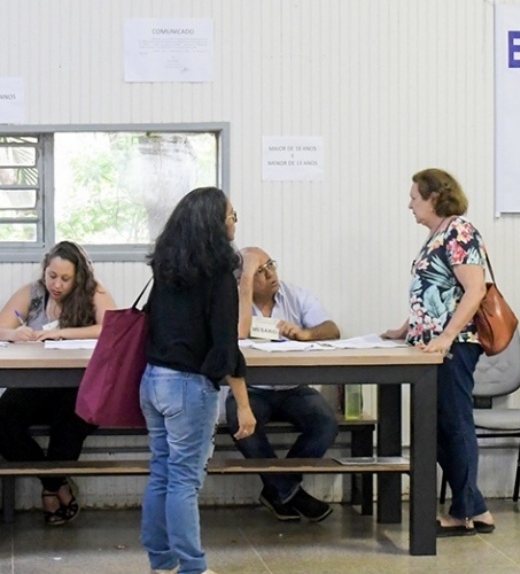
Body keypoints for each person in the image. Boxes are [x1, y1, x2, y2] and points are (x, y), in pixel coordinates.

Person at [141, 187, 256, 574]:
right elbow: (226, 346)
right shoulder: (218, 274)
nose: (235, 221)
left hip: (153, 381)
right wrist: (243, 403)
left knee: (162, 471)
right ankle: (193, 566)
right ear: (213, 223)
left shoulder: (166, 268)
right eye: (231, 214)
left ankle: (161, 561)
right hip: (188, 387)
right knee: (185, 480)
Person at [381, 168, 495, 537]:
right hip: (431, 346)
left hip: (454, 347)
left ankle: (465, 512)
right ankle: (475, 508)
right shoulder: (439, 234)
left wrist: (447, 336)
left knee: (454, 425)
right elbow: (435, 293)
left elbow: (474, 290)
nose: (409, 204)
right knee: (438, 428)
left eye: (415, 197)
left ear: (434, 197)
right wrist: (407, 328)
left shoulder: (459, 230)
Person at [0, 241, 116, 526]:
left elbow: (111, 328)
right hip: (37, 383)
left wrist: (63, 333)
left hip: (82, 385)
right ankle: (55, 483)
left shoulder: (93, 291)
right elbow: (2, 326)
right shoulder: (33, 292)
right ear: (45, 271)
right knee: (2, 419)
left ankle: (50, 490)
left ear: (78, 277)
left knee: (69, 422)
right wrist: (13, 335)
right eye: (52, 276)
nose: (57, 284)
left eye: (65, 278)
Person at [229, 246, 340, 522]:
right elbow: (230, 340)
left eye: (271, 265)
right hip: (251, 389)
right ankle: (291, 492)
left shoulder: (294, 294)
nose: (270, 274)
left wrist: (306, 333)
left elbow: (332, 329)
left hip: (293, 388)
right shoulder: (231, 301)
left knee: (325, 422)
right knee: (241, 424)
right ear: (243, 278)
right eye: (259, 271)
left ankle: (279, 489)